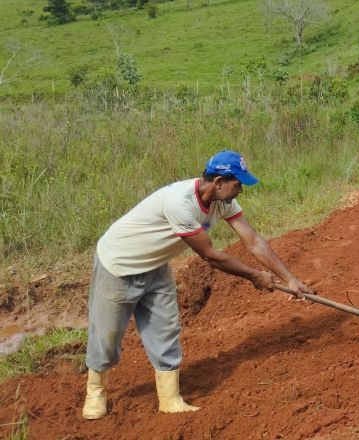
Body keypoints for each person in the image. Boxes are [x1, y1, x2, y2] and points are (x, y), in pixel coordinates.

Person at [82, 150, 313, 419]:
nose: (240, 189)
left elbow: (253, 241)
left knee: (166, 328)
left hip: (156, 265)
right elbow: (210, 256)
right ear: (218, 182)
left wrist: (290, 279)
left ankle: (169, 398)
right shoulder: (180, 202)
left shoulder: (224, 202)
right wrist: (254, 276)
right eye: (237, 184)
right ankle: (95, 392)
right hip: (120, 263)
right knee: (108, 334)